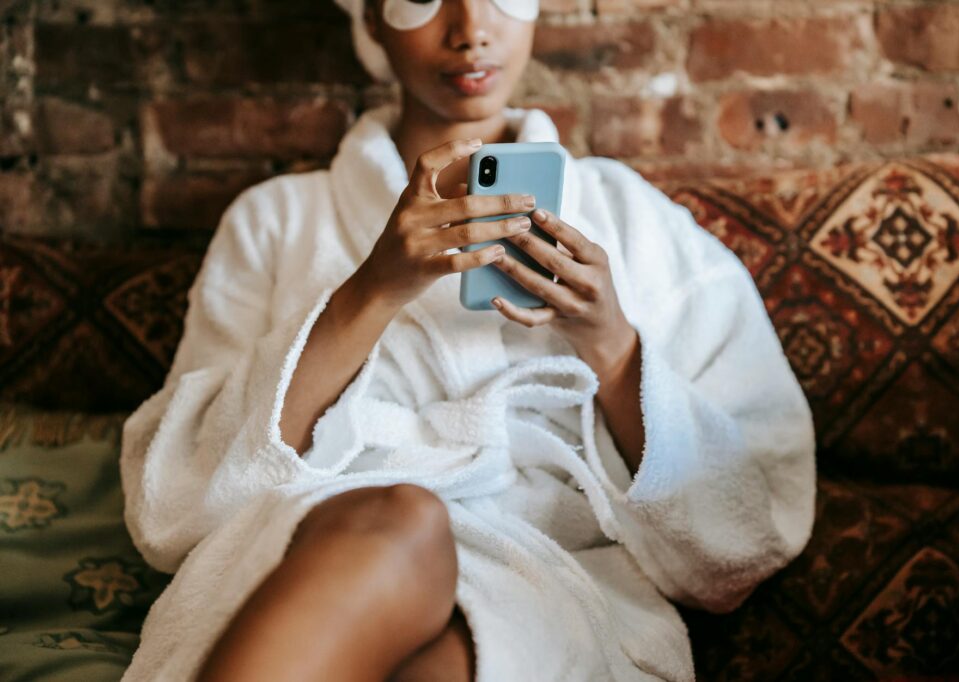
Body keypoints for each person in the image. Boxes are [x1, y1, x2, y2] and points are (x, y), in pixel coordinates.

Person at [118, 0, 817, 680]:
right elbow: (175, 497)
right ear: (367, 19)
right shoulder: (274, 220)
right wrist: (372, 290)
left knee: (466, 652)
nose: (470, 29)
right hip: (309, 559)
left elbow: (747, 530)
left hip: (552, 587)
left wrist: (611, 345)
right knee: (399, 517)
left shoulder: (634, 218)